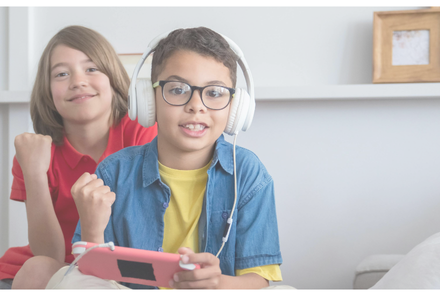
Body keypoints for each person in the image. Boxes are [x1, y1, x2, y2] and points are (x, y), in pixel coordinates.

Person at [59, 27, 283, 289]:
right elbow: (90, 278)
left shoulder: (247, 173)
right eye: (178, 90)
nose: (196, 105)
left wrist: (218, 283)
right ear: (148, 99)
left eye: (214, 92)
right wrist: (92, 228)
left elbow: (260, 282)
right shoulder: (114, 173)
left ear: (236, 107)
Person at [0, 25, 157, 289]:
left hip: (113, 271)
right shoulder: (34, 152)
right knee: (35, 269)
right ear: (48, 91)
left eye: (91, 69)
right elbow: (46, 255)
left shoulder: (144, 135)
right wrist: (35, 173)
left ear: (113, 78)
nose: (78, 81)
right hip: (36, 272)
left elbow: (142, 237)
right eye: (61, 74)